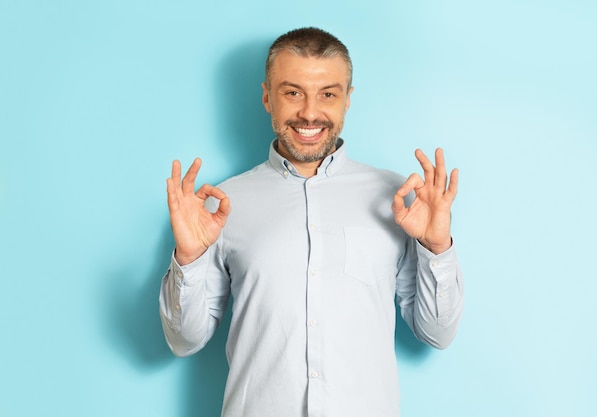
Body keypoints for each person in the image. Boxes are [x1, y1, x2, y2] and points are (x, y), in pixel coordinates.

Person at [160, 27, 464, 417]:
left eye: (328, 94)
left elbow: (437, 334)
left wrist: (436, 248)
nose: (309, 112)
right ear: (267, 97)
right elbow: (184, 341)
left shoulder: (401, 200)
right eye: (292, 92)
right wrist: (189, 257)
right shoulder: (222, 205)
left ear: (348, 100)